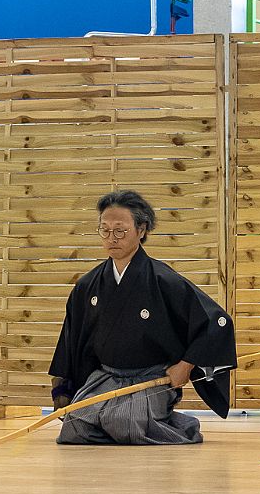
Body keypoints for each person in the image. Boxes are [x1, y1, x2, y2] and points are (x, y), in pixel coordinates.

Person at [49, 189, 237, 445]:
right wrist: (63, 388)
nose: (112, 238)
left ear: (141, 230)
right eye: (105, 230)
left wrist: (185, 366)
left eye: (120, 230)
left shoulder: (164, 280)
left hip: (151, 377)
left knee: (124, 421)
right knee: (74, 426)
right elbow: (71, 341)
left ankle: (182, 426)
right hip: (106, 377)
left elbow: (217, 322)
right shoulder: (88, 285)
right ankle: (131, 423)